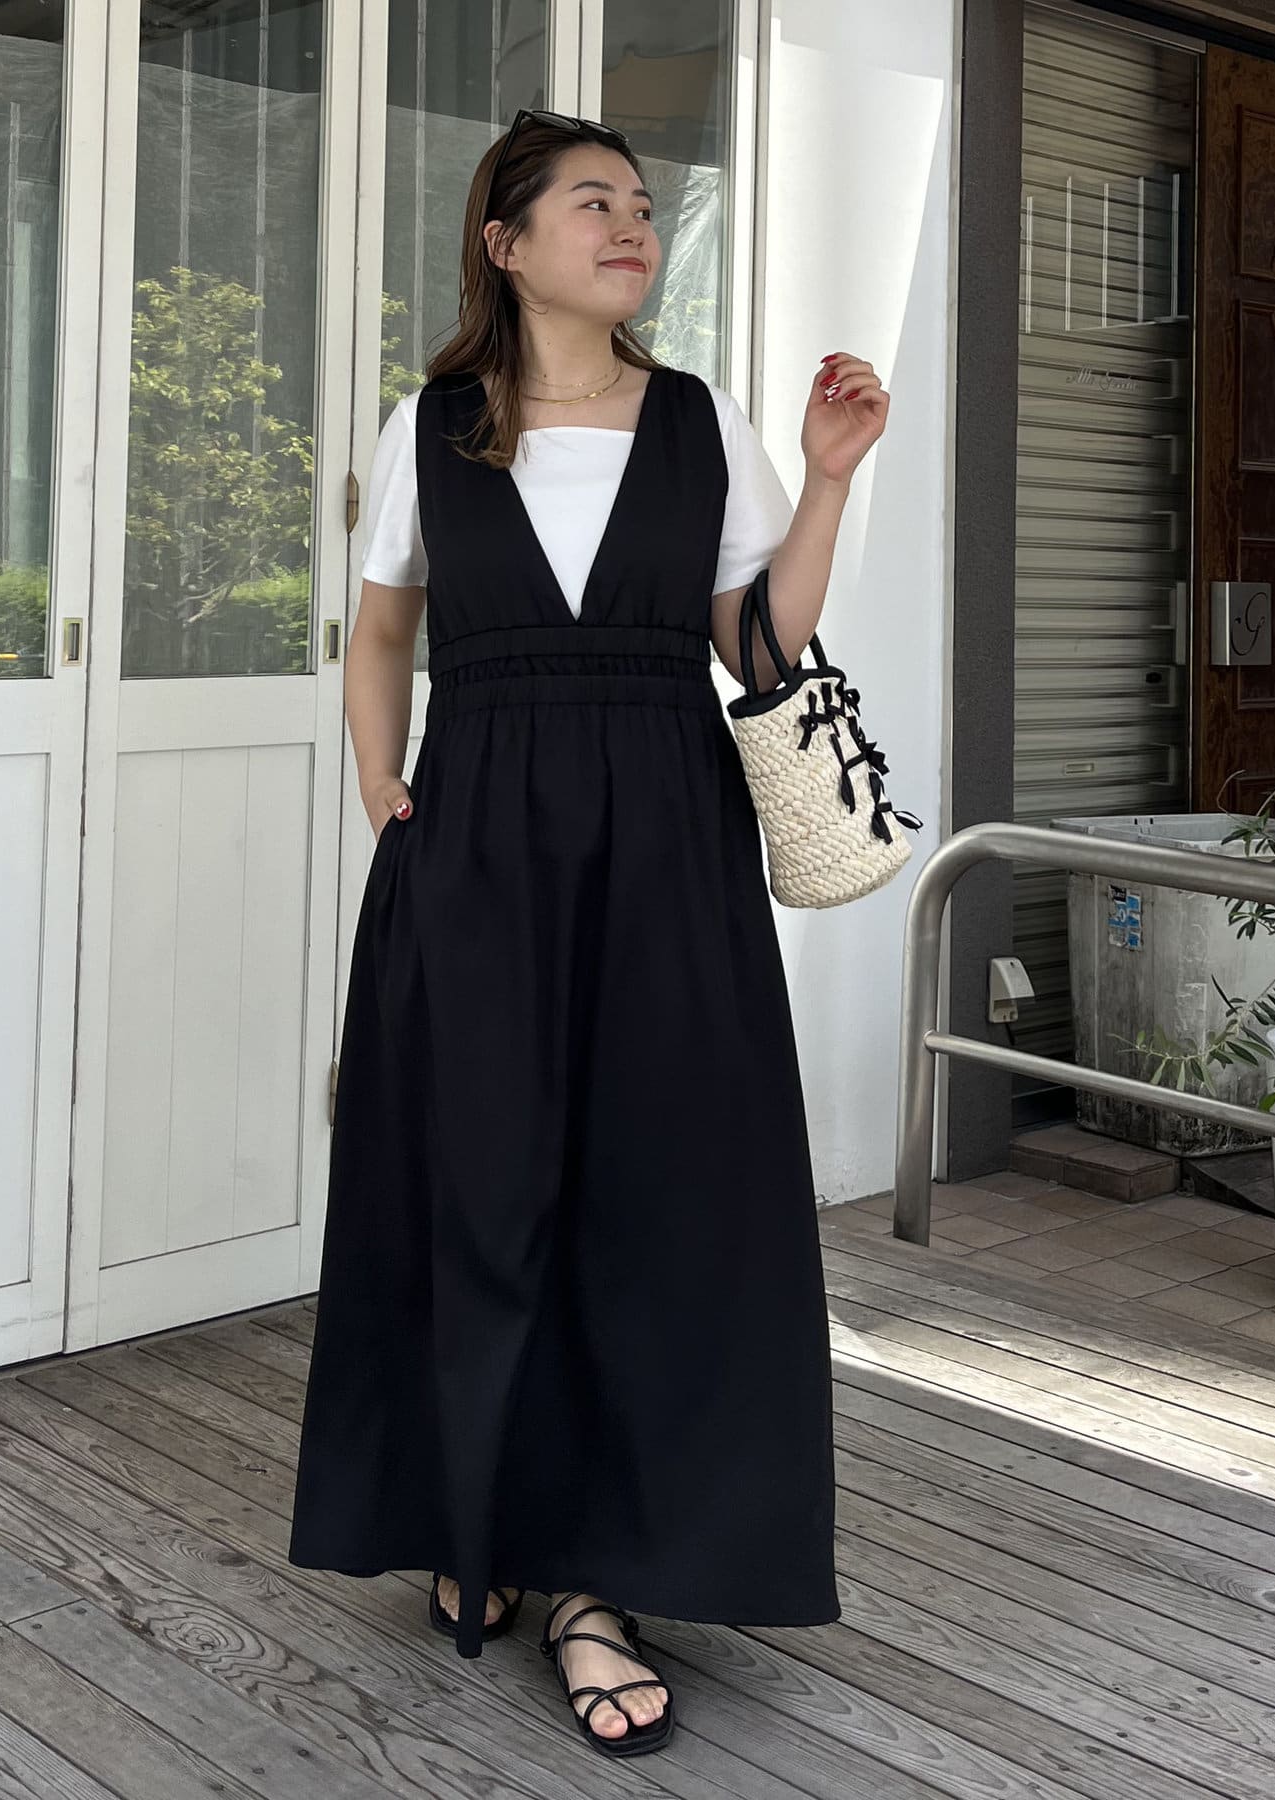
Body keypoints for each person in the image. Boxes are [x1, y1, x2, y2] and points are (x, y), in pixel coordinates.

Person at [289, 107, 889, 1760]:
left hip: (667, 845)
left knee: (655, 1198)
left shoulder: (701, 422)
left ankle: (593, 1583)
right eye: (593, 203)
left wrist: (829, 482)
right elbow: (381, 628)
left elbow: (758, 643)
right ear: (506, 243)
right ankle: (477, 1518)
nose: (632, 225)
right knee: (477, 1193)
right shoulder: (436, 428)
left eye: (641, 204)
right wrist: (382, 789)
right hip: (475, 844)